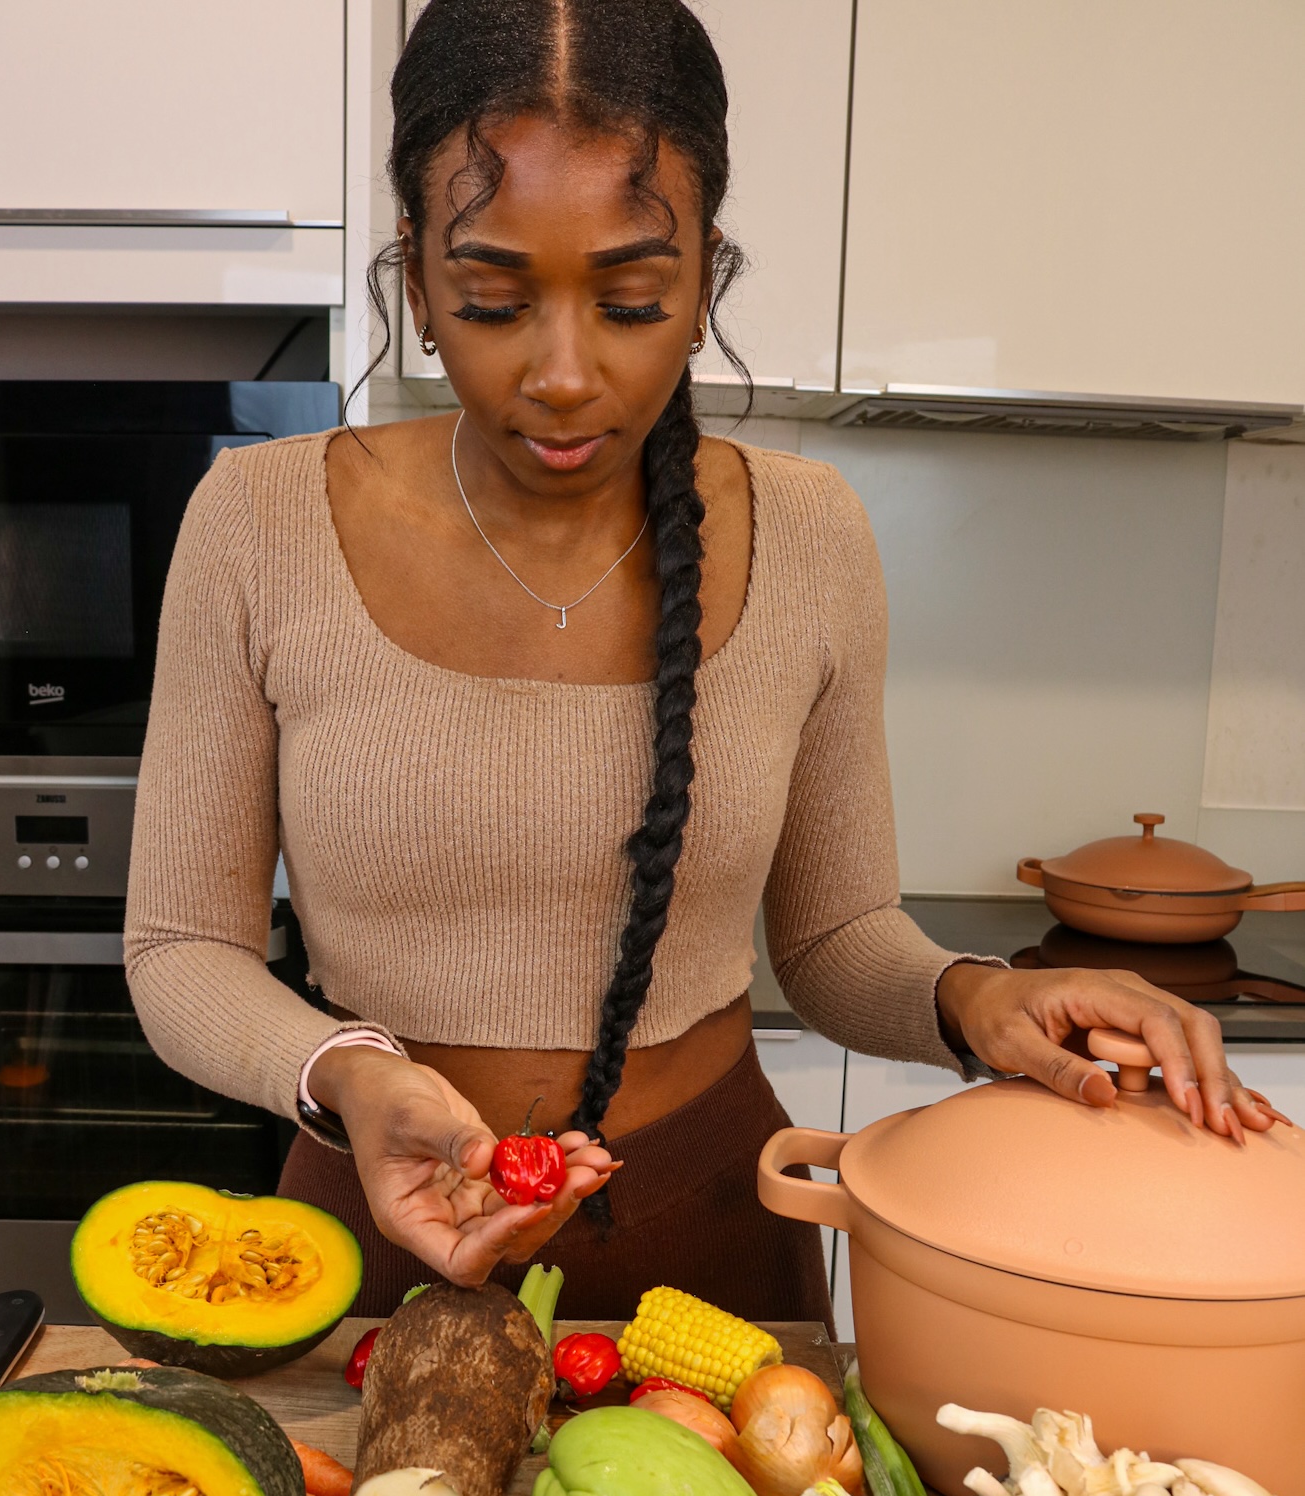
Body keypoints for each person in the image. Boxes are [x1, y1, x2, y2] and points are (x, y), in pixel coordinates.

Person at [124, 0, 1282, 1325]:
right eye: (495, 300)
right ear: (419, 278)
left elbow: (837, 940)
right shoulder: (259, 524)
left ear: (705, 280)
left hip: (721, 1240)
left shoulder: (808, 533)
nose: (564, 374)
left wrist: (977, 998)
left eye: (631, 300)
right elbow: (181, 950)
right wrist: (347, 1070)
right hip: (377, 1241)